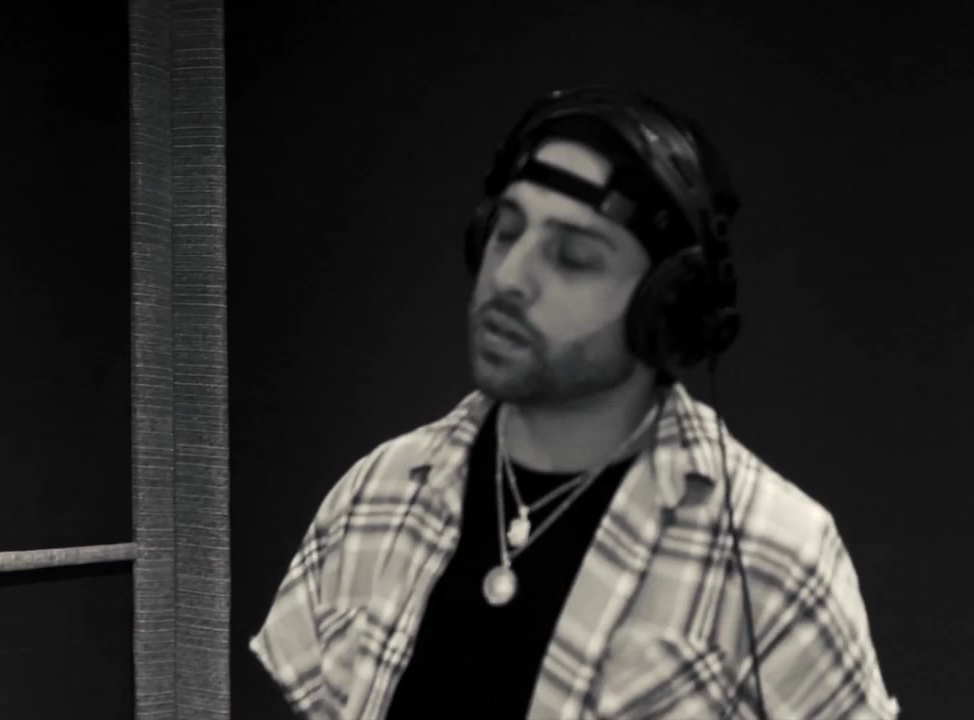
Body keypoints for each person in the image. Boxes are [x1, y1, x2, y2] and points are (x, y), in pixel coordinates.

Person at [249, 86, 900, 719]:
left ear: (664, 304)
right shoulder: (376, 495)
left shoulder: (771, 554)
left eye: (574, 258)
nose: (509, 278)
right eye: (506, 232)